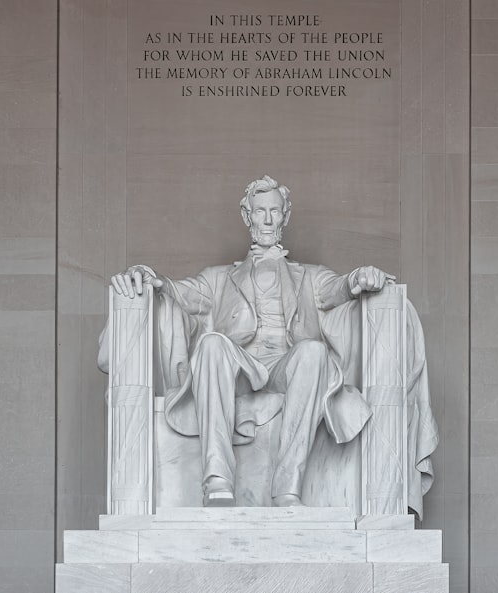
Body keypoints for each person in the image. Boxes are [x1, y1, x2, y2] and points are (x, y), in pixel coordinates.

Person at [108, 176, 436, 508]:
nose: (267, 219)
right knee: (211, 344)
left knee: (313, 351)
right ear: (246, 214)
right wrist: (149, 276)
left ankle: (287, 488)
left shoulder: (309, 276)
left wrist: (359, 277)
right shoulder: (218, 278)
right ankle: (217, 479)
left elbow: (339, 287)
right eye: (260, 211)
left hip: (285, 364)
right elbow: (180, 292)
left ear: (286, 216)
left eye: (275, 212)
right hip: (238, 368)